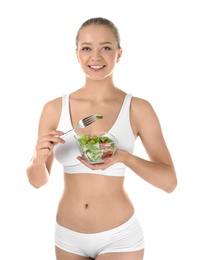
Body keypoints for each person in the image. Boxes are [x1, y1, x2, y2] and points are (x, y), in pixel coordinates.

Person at [26, 17, 177, 260]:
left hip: (119, 237)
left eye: (105, 47)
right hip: (67, 236)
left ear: (119, 54)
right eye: (87, 48)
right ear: (77, 54)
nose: (95, 57)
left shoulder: (138, 108)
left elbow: (169, 182)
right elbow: (37, 181)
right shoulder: (54, 109)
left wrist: (124, 157)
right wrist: (36, 159)